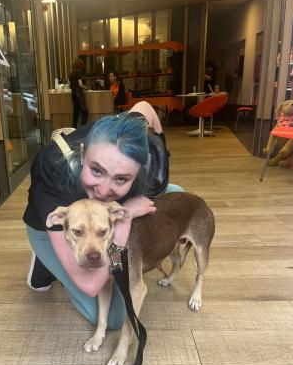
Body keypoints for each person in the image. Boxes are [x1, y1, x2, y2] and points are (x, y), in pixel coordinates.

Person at [23, 101, 184, 330]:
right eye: (96, 170)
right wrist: (125, 218)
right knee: (114, 317)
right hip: (55, 222)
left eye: (121, 178)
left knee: (177, 196)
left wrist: (159, 143)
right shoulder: (52, 172)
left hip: (103, 219)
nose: (104, 190)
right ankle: (51, 252)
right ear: (82, 154)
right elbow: (91, 285)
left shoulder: (132, 134)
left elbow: (146, 108)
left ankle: (98, 237)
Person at [69, 58, 88, 128]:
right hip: (78, 94)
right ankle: (83, 127)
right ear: (80, 66)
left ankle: (74, 127)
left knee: (76, 111)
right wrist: (85, 87)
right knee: (85, 112)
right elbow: (80, 84)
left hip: (73, 94)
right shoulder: (78, 73)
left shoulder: (71, 74)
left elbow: (69, 85)